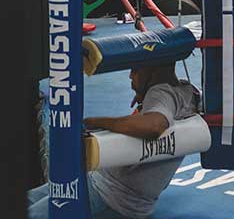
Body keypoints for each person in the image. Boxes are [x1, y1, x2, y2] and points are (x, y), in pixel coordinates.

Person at [28, 62, 201, 218]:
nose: (130, 76)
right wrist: (145, 100)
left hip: (109, 196)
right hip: (100, 184)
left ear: (153, 71)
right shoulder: (187, 91)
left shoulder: (161, 93)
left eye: (136, 70)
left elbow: (154, 125)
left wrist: (95, 121)